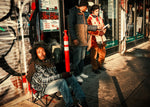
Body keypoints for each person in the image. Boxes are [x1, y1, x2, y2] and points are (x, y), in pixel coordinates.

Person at [26, 41, 88, 107]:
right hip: (43, 87)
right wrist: (60, 76)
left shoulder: (48, 61)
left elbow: (54, 73)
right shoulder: (35, 65)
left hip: (51, 82)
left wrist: (64, 74)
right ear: (36, 54)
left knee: (70, 77)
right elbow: (44, 80)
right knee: (61, 82)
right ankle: (69, 105)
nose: (42, 54)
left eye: (43, 51)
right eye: (39, 52)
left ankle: (82, 102)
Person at [68, 0, 100, 82]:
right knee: (77, 59)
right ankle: (76, 74)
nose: (86, 9)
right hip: (77, 40)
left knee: (82, 58)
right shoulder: (73, 12)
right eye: (86, 7)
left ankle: (80, 72)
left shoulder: (83, 14)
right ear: (83, 6)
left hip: (83, 39)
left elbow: (86, 27)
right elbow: (70, 27)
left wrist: (96, 27)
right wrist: (74, 38)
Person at [87, 5, 107, 74]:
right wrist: (98, 32)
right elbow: (89, 29)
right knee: (94, 55)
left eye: (98, 11)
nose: (97, 12)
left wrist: (104, 30)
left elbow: (103, 25)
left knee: (103, 53)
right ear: (92, 11)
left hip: (101, 38)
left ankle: (100, 65)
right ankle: (95, 68)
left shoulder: (100, 18)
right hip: (94, 38)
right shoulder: (89, 18)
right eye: (96, 11)